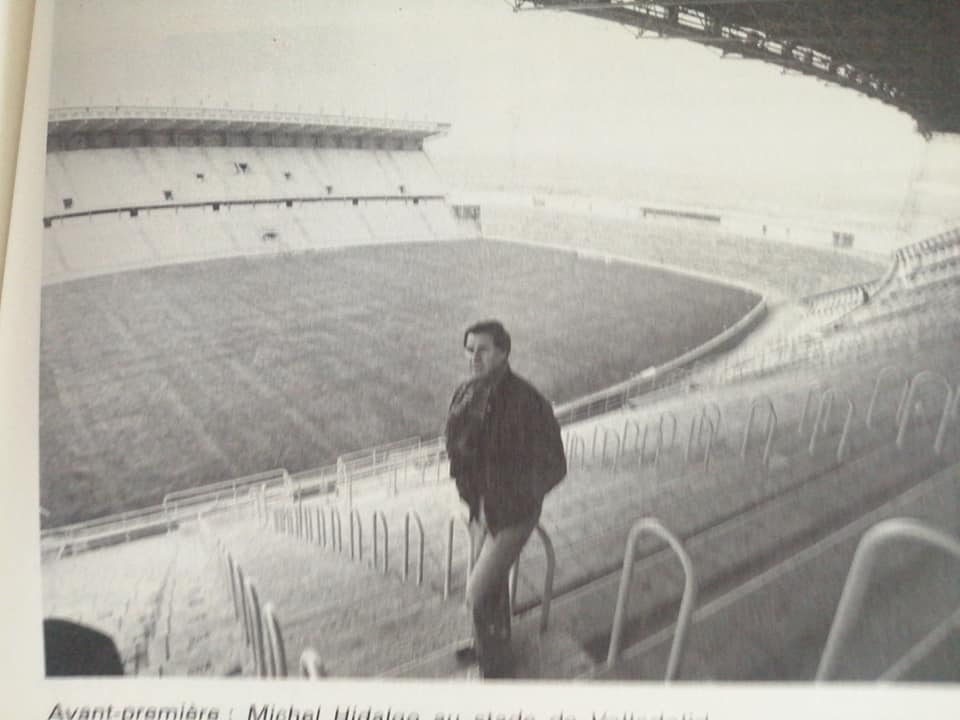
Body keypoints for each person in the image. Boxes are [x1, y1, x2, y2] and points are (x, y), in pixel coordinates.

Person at [445, 320, 566, 678]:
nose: (473, 357)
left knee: (477, 591)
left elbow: (555, 465)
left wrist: (515, 498)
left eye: (482, 350)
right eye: (469, 350)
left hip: (511, 514)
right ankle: (491, 649)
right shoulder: (466, 393)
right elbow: (458, 450)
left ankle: (496, 670)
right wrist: (472, 493)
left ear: (503, 352)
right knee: (493, 587)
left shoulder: (527, 402)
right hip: (480, 508)